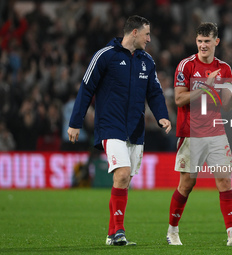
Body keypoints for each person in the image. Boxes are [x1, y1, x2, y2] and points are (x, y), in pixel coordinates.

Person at [67, 15, 171, 245]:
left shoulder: (147, 61)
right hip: (110, 126)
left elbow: (154, 92)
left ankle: (111, 234)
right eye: (146, 34)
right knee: (122, 174)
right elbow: (86, 88)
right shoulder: (105, 56)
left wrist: (162, 116)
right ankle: (119, 231)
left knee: (122, 181)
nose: (149, 39)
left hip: (135, 129)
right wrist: (76, 122)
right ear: (134, 32)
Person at [167, 22, 232, 246]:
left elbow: (225, 106)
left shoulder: (225, 68)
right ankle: (172, 231)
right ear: (196, 41)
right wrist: (205, 86)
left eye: (207, 41)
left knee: (224, 181)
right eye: (199, 41)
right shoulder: (186, 66)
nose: (203, 45)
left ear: (216, 42)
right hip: (191, 133)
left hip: (216, 132)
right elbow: (179, 99)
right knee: (187, 184)